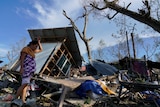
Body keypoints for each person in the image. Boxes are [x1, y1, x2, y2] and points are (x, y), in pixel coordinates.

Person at [12, 38, 43, 105]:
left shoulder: (32, 51)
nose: (36, 48)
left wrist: (39, 42)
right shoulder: (26, 49)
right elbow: (22, 59)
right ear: (31, 44)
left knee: (25, 86)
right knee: (24, 84)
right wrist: (22, 68)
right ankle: (15, 97)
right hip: (26, 69)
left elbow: (41, 50)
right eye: (35, 46)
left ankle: (23, 101)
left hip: (30, 71)